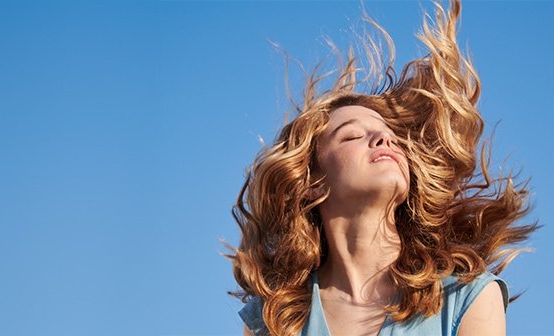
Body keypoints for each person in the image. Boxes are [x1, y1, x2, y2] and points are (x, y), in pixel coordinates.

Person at [224, 1, 538, 335]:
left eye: (391, 137)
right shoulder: (276, 317)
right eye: (353, 136)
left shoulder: (467, 297)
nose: (382, 140)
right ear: (312, 182)